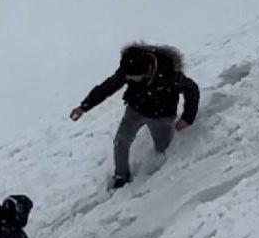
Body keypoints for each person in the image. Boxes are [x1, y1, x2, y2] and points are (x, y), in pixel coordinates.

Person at [70, 42, 200, 189]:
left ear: (149, 70)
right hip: (135, 110)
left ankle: (160, 180)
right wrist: (84, 107)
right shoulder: (129, 67)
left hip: (162, 116)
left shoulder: (169, 72)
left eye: (134, 78)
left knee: (163, 149)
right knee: (121, 141)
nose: (129, 80)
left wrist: (187, 118)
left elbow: (192, 90)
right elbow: (107, 87)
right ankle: (121, 176)